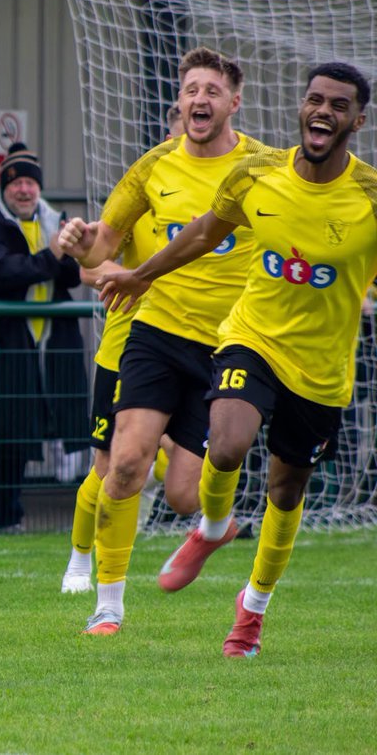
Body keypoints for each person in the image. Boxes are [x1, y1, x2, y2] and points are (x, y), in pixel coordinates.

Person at [99, 62, 374, 657]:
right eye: (315, 100)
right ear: (301, 107)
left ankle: (252, 609)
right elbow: (202, 234)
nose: (323, 111)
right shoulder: (256, 173)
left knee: (285, 490)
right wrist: (141, 275)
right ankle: (214, 527)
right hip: (251, 337)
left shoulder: (370, 197)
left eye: (338, 105)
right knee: (225, 443)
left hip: (321, 368)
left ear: (357, 120)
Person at [58, 46, 272, 634]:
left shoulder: (263, 168)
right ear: (179, 100)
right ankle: (108, 605)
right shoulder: (153, 165)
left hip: (226, 344)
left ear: (234, 102)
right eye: (191, 90)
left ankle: (213, 524)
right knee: (124, 464)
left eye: (211, 91)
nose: (199, 100)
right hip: (155, 331)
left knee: (182, 496)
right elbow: (103, 244)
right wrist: (81, 243)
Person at [60, 103, 186, 593]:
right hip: (125, 350)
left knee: (185, 458)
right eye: (177, 137)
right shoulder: (145, 193)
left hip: (197, 346)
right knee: (108, 466)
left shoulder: (223, 203)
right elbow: (89, 265)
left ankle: (207, 520)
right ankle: (79, 561)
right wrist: (137, 277)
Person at [0, 141, 87, 531]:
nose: (25, 190)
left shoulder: (54, 219)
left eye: (31, 183)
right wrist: (52, 255)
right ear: (4, 187)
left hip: (45, 342)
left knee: (27, 426)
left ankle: (12, 517)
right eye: (16, 184)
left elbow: (73, 276)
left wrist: (71, 252)